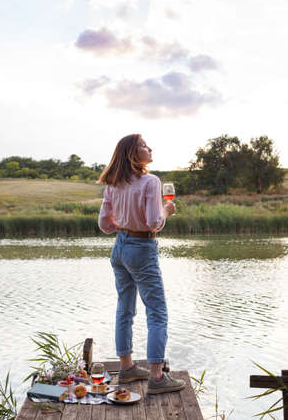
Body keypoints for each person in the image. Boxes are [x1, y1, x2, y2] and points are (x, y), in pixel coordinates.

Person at [98, 134, 185, 394]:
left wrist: (124, 224)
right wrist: (167, 211)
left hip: (120, 248)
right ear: (133, 155)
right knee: (157, 312)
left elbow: (104, 225)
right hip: (141, 248)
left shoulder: (113, 184)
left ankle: (126, 368)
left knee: (125, 309)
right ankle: (157, 379)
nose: (150, 148)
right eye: (144, 145)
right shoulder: (151, 181)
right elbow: (153, 222)